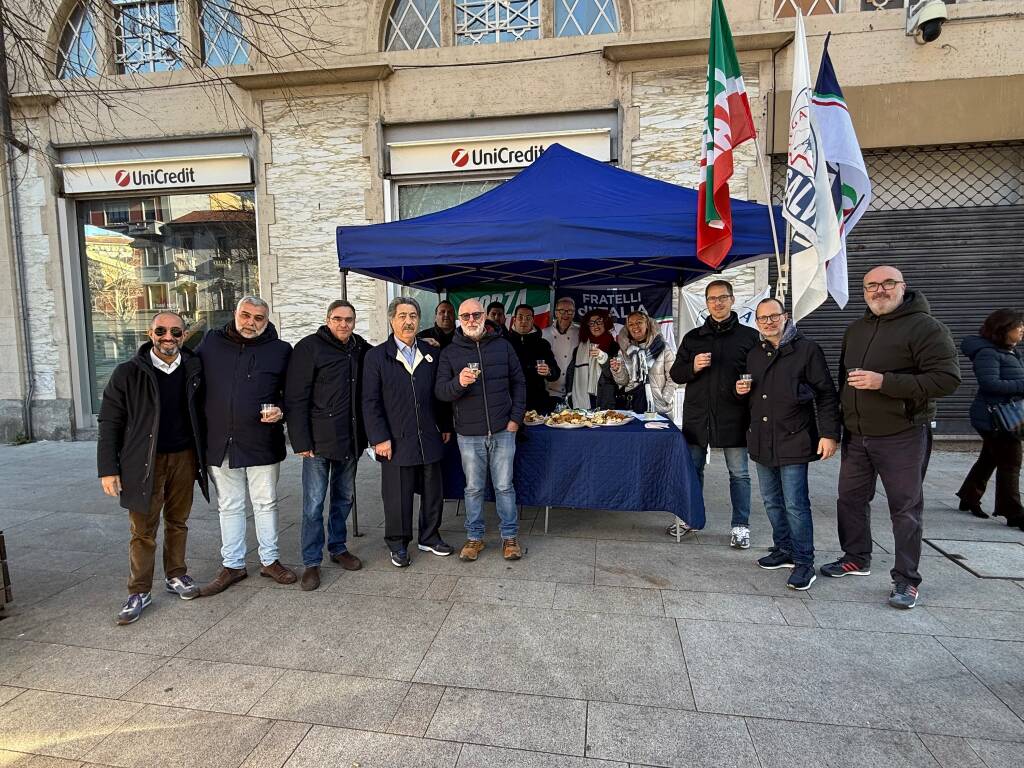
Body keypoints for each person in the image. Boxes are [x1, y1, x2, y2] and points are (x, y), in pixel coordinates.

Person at [821, 266, 960, 610]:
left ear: (902, 287)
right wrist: (837, 428)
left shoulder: (927, 328)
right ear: (864, 290)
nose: (879, 290)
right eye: (872, 285)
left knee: (905, 508)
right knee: (849, 500)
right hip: (857, 434)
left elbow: (947, 379)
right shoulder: (856, 329)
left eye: (887, 284)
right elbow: (843, 383)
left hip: (903, 434)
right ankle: (856, 557)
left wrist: (885, 382)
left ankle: (906, 579)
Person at [98, 311, 209, 625]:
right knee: (143, 531)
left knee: (178, 521)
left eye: (175, 331)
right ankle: (139, 590)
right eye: (161, 330)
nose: (168, 337)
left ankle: (176, 575)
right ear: (150, 333)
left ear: (184, 335)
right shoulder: (127, 373)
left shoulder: (194, 368)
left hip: (184, 457)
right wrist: (108, 468)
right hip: (143, 462)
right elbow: (109, 422)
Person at [736, 300, 840, 591]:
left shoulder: (807, 350)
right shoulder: (755, 353)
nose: (768, 322)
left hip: (793, 436)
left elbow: (827, 395)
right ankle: (783, 549)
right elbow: (756, 395)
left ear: (786, 317)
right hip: (761, 438)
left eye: (773, 316)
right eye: (762, 318)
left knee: (795, 504)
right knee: (771, 500)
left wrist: (829, 434)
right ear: (756, 322)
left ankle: (805, 561)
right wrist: (741, 390)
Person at [198, 296, 296, 596]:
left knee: (265, 502)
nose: (250, 322)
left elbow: (291, 392)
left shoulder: (280, 350)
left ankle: (269, 560)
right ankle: (233, 565)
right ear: (235, 314)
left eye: (258, 318)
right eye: (246, 315)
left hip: (261, 441)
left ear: (267, 320)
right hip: (220, 440)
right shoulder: (211, 343)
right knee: (229, 505)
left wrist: (281, 409)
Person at [285, 300, 369, 591]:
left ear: (355, 322)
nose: (343, 324)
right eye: (338, 319)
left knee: (344, 498)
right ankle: (311, 561)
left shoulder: (360, 347)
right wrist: (301, 440)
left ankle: (337, 547)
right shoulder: (309, 347)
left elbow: (388, 355)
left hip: (351, 438)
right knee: (313, 504)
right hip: (318, 442)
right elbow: (295, 397)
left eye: (348, 319)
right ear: (327, 319)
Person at [363, 297, 454, 567]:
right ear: (392, 320)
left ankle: (429, 536)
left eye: (413, 315)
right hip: (395, 438)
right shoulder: (376, 356)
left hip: (429, 434)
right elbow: (369, 401)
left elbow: (441, 395)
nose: (408, 321)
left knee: (432, 490)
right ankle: (398, 543)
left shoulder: (431, 353)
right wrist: (379, 438)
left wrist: (445, 425)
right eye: (402, 316)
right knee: (397, 494)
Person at [436, 298, 527, 562]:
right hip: (468, 433)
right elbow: (440, 392)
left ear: (485, 316)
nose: (471, 320)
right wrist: (458, 383)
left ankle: (509, 537)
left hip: (502, 430)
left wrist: (515, 419)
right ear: (459, 321)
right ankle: (474, 538)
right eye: (465, 316)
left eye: (476, 315)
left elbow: (519, 382)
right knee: (474, 489)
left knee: (504, 486)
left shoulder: (503, 346)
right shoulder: (450, 352)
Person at [669, 280, 759, 548]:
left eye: (722, 298)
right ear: (706, 303)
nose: (717, 303)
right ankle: (690, 518)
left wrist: (748, 385)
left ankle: (741, 525)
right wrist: (693, 367)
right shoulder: (694, 337)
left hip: (733, 415)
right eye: (712, 299)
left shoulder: (749, 337)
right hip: (698, 417)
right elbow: (675, 374)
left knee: (739, 474)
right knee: (694, 469)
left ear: (732, 300)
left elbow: (759, 374)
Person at [956, 309, 1024, 526]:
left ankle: (969, 495)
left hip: (1002, 414)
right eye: (1018, 327)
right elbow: (990, 384)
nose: (1022, 331)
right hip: (995, 417)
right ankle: (1013, 512)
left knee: (990, 458)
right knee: (1011, 463)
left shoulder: (1009, 351)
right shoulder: (989, 353)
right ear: (1002, 330)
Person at [612, 311, 677, 416]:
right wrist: (617, 370)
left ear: (647, 324)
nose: (635, 327)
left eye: (639, 322)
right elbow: (623, 382)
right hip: (633, 406)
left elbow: (674, 376)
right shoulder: (623, 351)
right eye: (631, 324)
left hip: (659, 407)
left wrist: (665, 398)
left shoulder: (663, 348)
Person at [507, 304, 560, 413]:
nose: (524, 321)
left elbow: (555, 373)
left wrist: (548, 371)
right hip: (510, 403)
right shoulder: (504, 343)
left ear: (533, 320)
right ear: (514, 319)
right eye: (520, 317)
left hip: (537, 403)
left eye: (528, 318)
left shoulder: (542, 344)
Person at [564, 308, 620, 410]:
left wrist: (603, 358)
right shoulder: (579, 348)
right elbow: (571, 372)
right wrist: (570, 393)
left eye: (599, 322)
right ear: (587, 327)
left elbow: (615, 376)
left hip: (605, 398)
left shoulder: (614, 346)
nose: (595, 326)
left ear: (606, 323)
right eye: (591, 323)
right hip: (582, 397)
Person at [542, 296, 579, 409]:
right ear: (556, 313)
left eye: (570, 311)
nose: (566, 314)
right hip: (550, 392)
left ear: (574, 313)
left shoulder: (580, 332)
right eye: (562, 310)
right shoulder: (544, 333)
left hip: (574, 393)